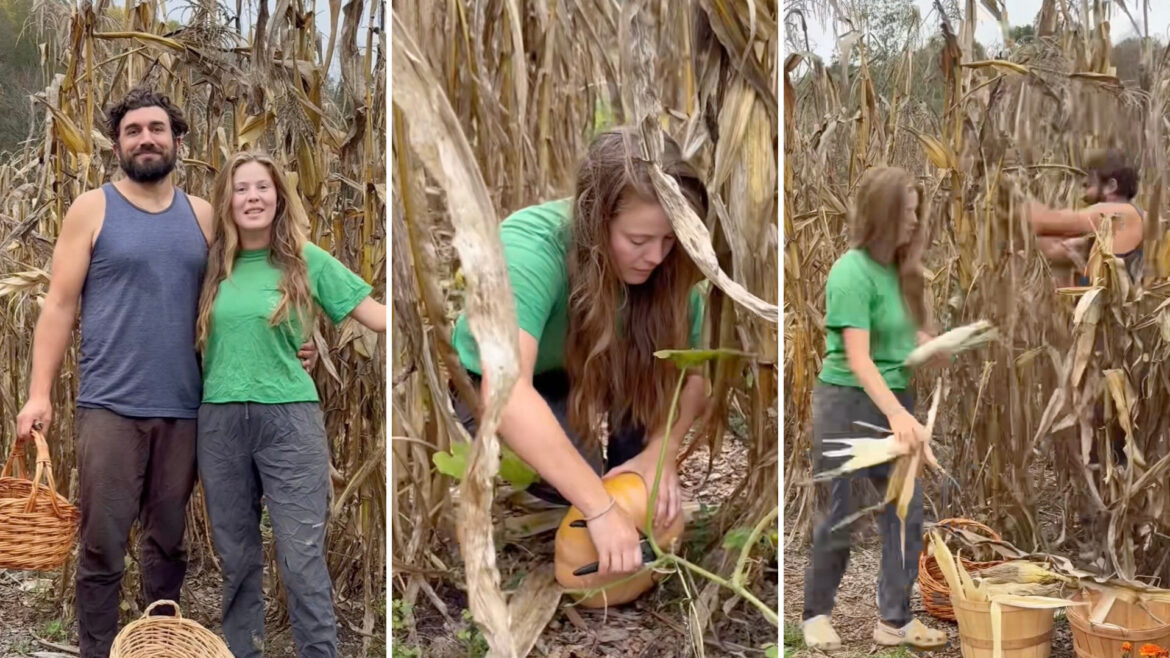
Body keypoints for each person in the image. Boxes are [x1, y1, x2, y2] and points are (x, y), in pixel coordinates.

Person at [12, 86, 316, 658]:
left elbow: (252, 290)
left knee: (168, 543)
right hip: (110, 405)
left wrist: (299, 344)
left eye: (156, 128)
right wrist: (38, 394)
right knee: (102, 541)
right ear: (117, 143)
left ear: (178, 139)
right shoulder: (92, 208)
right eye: (133, 130)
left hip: (186, 407)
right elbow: (58, 305)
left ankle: (158, 644)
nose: (145, 138)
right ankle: (98, 649)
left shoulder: (203, 215)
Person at [449, 126, 711, 577]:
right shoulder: (530, 248)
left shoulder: (667, 267)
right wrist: (600, 506)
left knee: (623, 479)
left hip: (598, 365)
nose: (656, 257)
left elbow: (694, 375)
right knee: (572, 491)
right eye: (638, 240)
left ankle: (628, 467)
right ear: (595, 219)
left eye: (669, 241)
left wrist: (660, 454)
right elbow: (507, 392)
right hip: (508, 385)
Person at [194, 150, 385, 658]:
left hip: (290, 423)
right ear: (226, 201)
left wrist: (444, 318)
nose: (252, 197)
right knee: (236, 559)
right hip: (220, 423)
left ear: (279, 196)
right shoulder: (211, 265)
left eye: (262, 187)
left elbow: (376, 316)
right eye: (240, 189)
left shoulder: (306, 259)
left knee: (302, 559)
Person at [802, 166, 948, 651]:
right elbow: (860, 359)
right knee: (838, 515)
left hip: (895, 402)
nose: (913, 220)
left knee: (906, 515)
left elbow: (899, 344)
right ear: (882, 215)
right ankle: (816, 615)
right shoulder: (850, 271)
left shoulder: (901, 273)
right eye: (905, 211)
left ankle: (895, 622)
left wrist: (930, 344)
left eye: (915, 211)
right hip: (846, 402)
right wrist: (897, 416)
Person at [1028, 148, 1144, 286]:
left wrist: (1012, 197)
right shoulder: (1111, 228)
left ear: (1111, 186)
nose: (1084, 183)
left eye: (1091, 178)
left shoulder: (1116, 212)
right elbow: (1052, 247)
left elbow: (1048, 221)